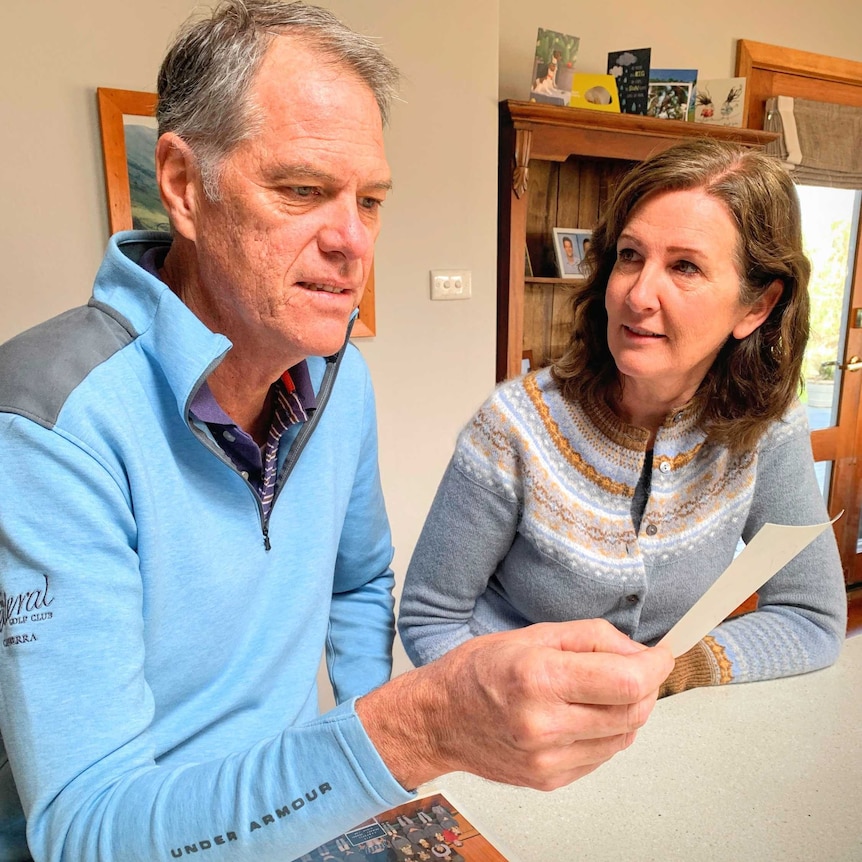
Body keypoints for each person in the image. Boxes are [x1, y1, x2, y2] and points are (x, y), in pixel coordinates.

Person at [0, 2, 673, 860]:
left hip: (300, 817)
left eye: (372, 200)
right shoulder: (46, 424)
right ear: (181, 183)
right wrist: (404, 733)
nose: (353, 241)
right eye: (303, 190)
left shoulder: (335, 377)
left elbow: (360, 582)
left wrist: (367, 780)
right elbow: (88, 835)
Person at [399, 138, 847, 697]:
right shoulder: (513, 426)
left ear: (756, 307)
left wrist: (673, 671)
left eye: (684, 266)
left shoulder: (766, 430)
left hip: (656, 738)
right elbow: (429, 617)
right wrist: (521, 696)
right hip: (507, 731)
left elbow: (812, 617)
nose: (637, 294)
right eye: (630, 256)